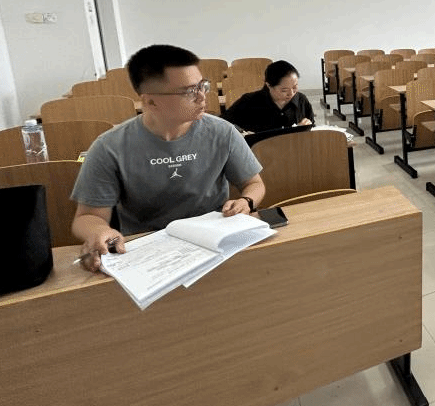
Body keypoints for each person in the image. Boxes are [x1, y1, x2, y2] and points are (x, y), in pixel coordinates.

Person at [71, 44, 266, 271]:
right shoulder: (109, 147)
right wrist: (100, 231)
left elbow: (254, 184)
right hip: (147, 250)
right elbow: (86, 217)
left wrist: (246, 202)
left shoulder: (223, 132)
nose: (202, 96)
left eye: (202, 86)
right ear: (150, 102)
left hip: (213, 242)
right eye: (189, 91)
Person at [223, 59, 315, 132]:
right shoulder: (249, 101)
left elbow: (312, 127)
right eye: (284, 90)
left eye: (295, 87)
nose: (291, 93)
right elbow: (223, 124)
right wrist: (241, 132)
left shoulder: (301, 100)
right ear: (269, 85)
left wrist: (306, 126)